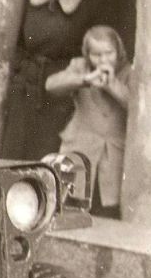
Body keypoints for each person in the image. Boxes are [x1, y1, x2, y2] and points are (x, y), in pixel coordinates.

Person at [0, 0, 99, 160]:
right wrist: (19, 70)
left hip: (60, 85)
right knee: (15, 147)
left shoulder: (90, 0)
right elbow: (19, 39)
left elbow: (95, 45)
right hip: (27, 81)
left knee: (47, 152)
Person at [45, 25, 129, 218]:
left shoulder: (128, 72)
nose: (103, 60)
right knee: (72, 206)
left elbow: (136, 105)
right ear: (87, 54)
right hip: (80, 150)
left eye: (109, 53)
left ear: (119, 51)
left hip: (113, 157)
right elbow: (51, 85)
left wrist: (112, 86)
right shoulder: (80, 67)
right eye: (96, 55)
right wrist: (85, 80)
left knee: (107, 210)